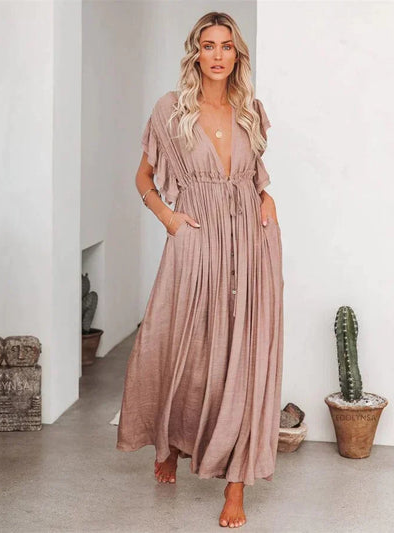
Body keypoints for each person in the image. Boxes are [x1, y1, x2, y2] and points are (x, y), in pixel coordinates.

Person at [116, 11, 284, 529]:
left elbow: (253, 177)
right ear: (196, 53)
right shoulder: (170, 110)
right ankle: (169, 441)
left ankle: (235, 487)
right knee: (182, 344)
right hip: (194, 238)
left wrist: (267, 198)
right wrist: (168, 218)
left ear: (238, 55)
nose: (217, 55)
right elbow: (143, 176)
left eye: (226, 47)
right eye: (208, 46)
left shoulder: (250, 108)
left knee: (243, 354)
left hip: (248, 242)